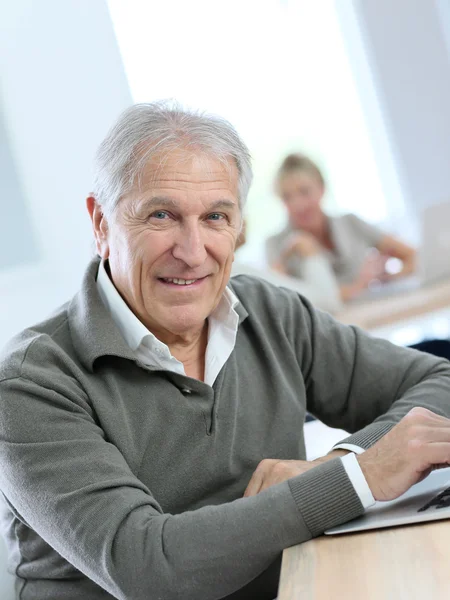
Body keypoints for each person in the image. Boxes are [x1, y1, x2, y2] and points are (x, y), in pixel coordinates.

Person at [0, 102, 450, 600]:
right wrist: (356, 480)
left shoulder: (269, 312)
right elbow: (149, 571)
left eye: (215, 216)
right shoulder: (30, 382)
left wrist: (344, 460)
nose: (193, 252)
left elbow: (440, 382)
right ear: (101, 223)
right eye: (161, 215)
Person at [267, 153, 417, 302]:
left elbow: (414, 256)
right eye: (287, 197)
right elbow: (287, 303)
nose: (298, 204)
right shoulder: (277, 246)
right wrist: (360, 285)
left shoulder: (350, 223)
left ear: (321, 188)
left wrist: (389, 278)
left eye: (304, 192)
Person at [232, 221, 343, 313]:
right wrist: (311, 255)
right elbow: (328, 303)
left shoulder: (242, 269)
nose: (244, 219)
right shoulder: (238, 271)